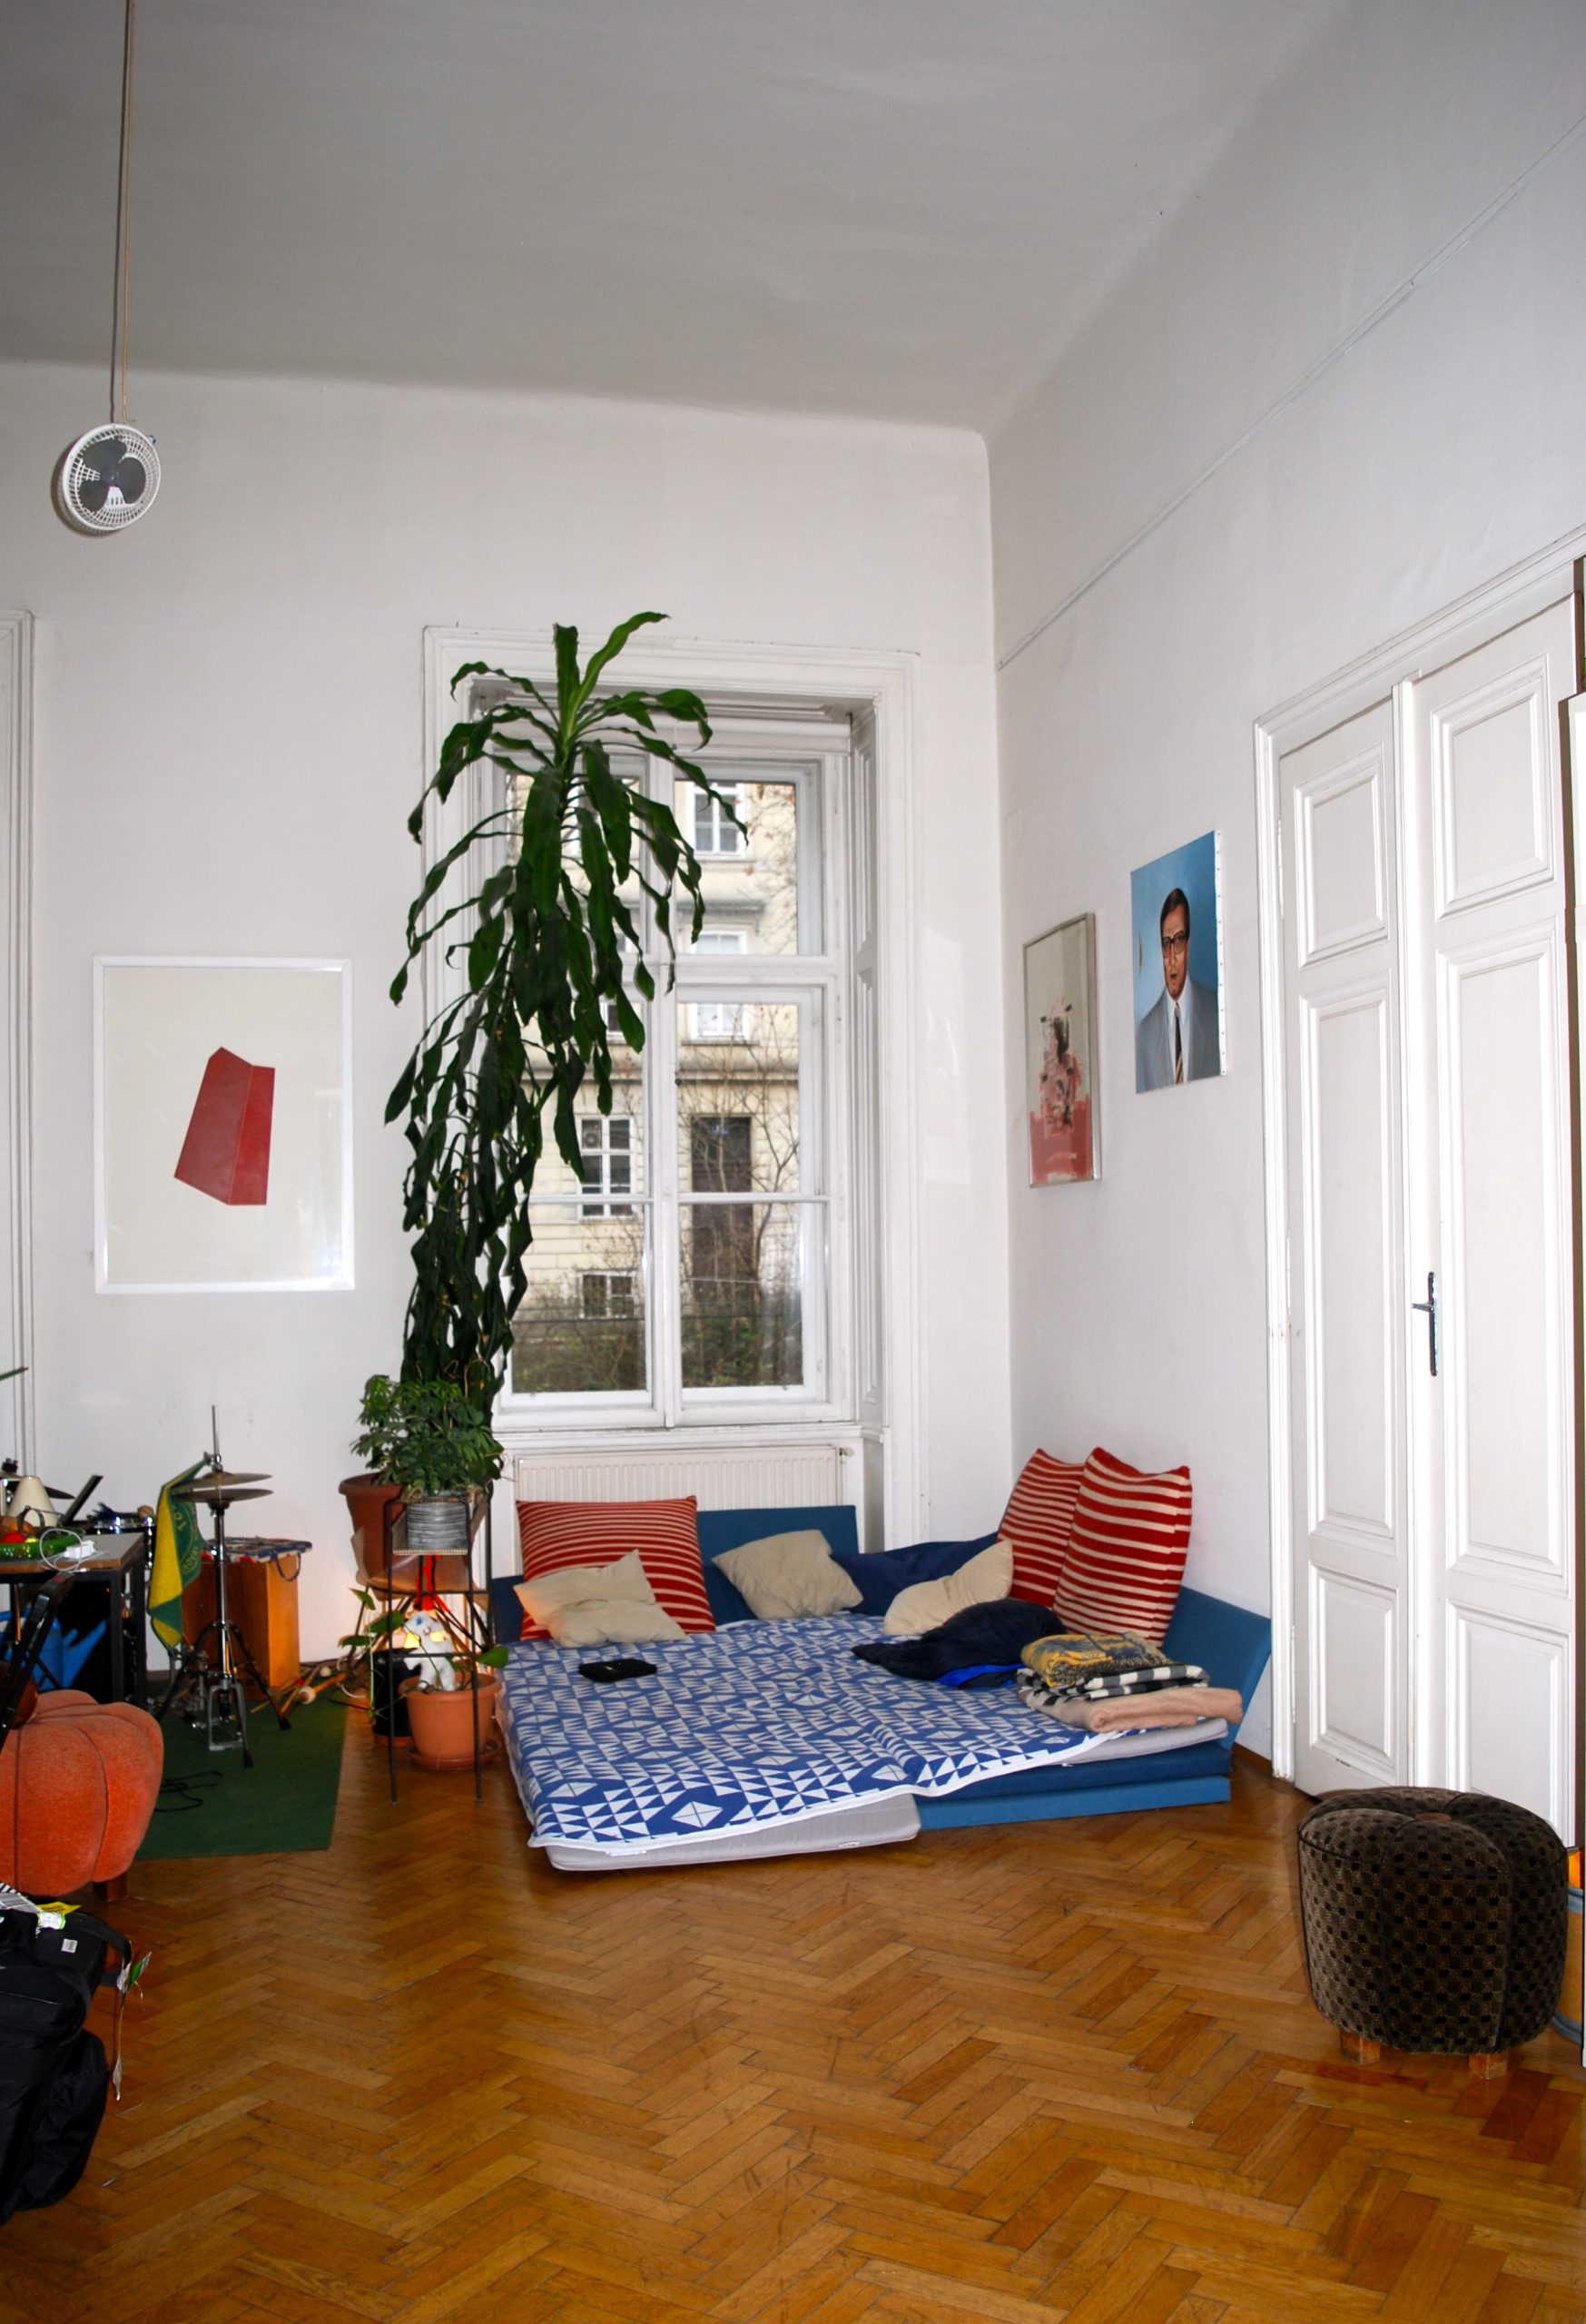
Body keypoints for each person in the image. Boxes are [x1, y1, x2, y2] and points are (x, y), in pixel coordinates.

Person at [1135, 887, 1219, 1089]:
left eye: (1179, 940)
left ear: (1188, 945)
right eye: (1166, 944)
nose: (1172, 957)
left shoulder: (1215, 1013)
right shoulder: (1145, 1033)